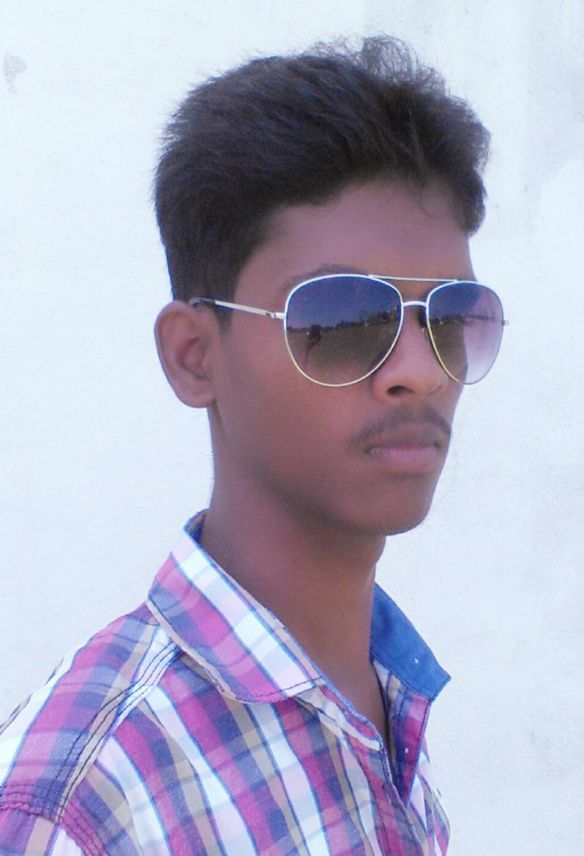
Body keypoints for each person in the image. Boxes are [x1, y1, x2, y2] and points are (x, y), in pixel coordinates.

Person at [0, 36, 504, 855]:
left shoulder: (380, 696)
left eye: (450, 318)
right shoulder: (83, 808)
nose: (418, 371)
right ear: (194, 356)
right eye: (344, 319)